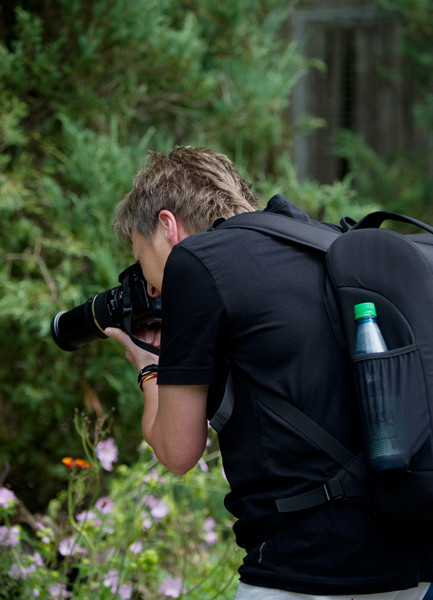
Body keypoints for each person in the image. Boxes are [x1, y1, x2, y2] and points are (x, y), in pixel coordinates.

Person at [105, 146, 433, 600]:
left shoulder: (196, 261)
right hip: (413, 557)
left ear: (168, 226)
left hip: (305, 568)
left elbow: (178, 452)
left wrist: (149, 372)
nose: (153, 289)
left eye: (143, 261)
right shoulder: (319, 242)